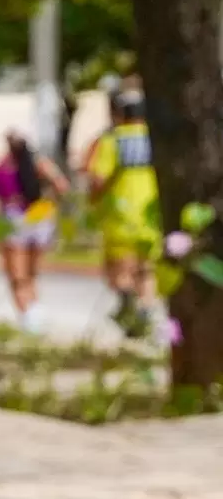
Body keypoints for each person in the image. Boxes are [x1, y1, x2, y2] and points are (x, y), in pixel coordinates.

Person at [0, 130, 71, 333]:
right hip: (40, 220)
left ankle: (28, 316)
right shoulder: (39, 165)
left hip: (14, 220)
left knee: (17, 276)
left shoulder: (2, 169)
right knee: (31, 274)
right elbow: (62, 186)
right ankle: (35, 311)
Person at [86, 90, 159, 338]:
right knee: (146, 269)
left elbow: (98, 178)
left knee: (120, 272)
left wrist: (93, 200)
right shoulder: (155, 139)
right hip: (151, 215)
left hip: (120, 216)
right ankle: (145, 311)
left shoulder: (113, 140)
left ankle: (129, 310)